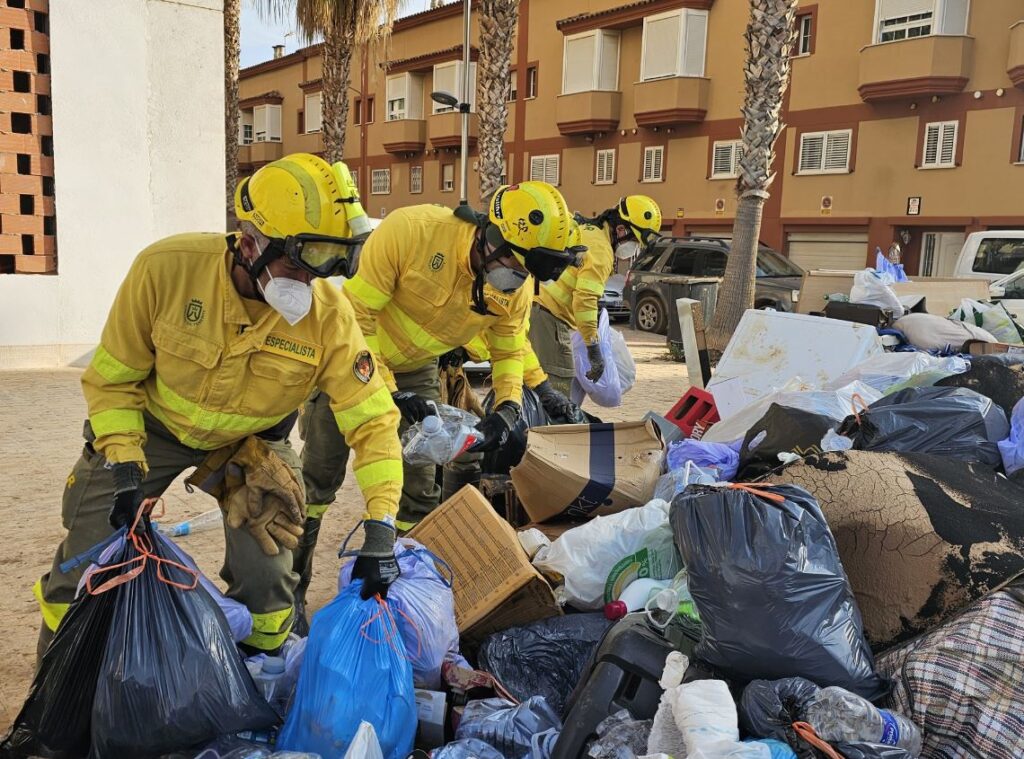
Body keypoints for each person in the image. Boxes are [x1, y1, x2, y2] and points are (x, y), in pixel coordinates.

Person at [34, 153, 403, 657]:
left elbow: (374, 421)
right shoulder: (167, 270)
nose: (307, 282)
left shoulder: (329, 319)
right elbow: (114, 381)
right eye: (297, 262)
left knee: (271, 581)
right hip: (150, 430)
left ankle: (255, 677)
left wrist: (381, 529)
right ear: (249, 243)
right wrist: (123, 467)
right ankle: (56, 692)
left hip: (251, 447)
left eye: (321, 266)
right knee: (85, 562)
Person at [294, 182, 577, 626]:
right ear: (492, 239)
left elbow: (508, 348)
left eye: (526, 274)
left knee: (420, 484)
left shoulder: (516, 288)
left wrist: (507, 408)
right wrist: (390, 391)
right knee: (318, 479)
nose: (517, 279)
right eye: (515, 267)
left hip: (416, 368)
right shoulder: (413, 232)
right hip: (346, 357)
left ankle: (402, 593)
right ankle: (294, 592)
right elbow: (356, 317)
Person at [524, 196, 663, 396]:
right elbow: (585, 301)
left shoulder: (588, 230)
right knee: (557, 391)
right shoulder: (601, 251)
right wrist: (593, 347)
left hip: (535, 309)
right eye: (634, 241)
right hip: (549, 317)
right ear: (621, 230)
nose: (635, 248)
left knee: (534, 387)